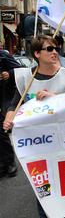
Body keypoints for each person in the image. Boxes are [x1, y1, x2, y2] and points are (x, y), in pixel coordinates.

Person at [3, 36, 65, 218]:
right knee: (43, 189)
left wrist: (55, 97)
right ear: (37, 54)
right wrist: (8, 117)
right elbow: (15, 104)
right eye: (49, 49)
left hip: (64, 140)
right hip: (37, 143)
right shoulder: (25, 77)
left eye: (56, 48)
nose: (55, 52)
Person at [0, 48, 20, 179]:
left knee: (1, 132)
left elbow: (20, 69)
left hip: (2, 97)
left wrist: (9, 73)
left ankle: (9, 162)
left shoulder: (2, 55)